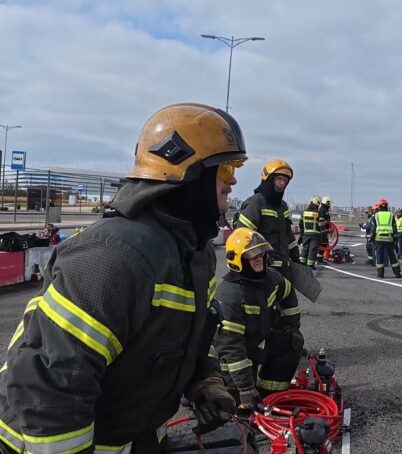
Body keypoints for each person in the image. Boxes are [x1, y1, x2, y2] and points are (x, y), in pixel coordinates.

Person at [0, 103, 246, 453]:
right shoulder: (113, 255)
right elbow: (53, 387)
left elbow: (187, 336)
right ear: (188, 171)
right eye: (226, 167)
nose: (234, 179)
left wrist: (203, 380)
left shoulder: (195, 253)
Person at [214, 228, 303, 405]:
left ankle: (270, 397)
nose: (259, 259)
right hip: (232, 358)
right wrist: (245, 386)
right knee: (237, 403)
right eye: (253, 255)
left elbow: (288, 293)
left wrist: (292, 327)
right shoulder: (230, 294)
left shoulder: (271, 278)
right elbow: (231, 346)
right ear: (237, 259)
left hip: (257, 342)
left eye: (261, 254)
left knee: (291, 345)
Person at [234, 159, 300, 279]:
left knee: (288, 298)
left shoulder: (283, 206)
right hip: (263, 270)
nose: (282, 184)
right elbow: (243, 237)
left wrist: (296, 258)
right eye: (279, 179)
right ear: (268, 179)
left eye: (285, 181)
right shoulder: (255, 203)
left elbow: (289, 236)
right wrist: (262, 260)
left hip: (284, 271)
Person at [368, 199, 401, 278]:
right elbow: (394, 228)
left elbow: (373, 228)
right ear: (387, 206)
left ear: (379, 207)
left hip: (379, 238)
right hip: (389, 238)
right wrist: (395, 238)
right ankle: (397, 273)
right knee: (392, 256)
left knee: (379, 256)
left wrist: (371, 238)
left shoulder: (376, 215)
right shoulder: (391, 215)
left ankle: (380, 274)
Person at [299, 196, 325, 269]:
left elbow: (300, 224)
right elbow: (321, 225)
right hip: (315, 235)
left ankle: (302, 264)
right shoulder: (318, 213)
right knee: (312, 250)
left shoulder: (304, 212)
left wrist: (302, 235)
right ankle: (310, 265)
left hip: (306, 234)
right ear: (318, 204)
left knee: (305, 248)